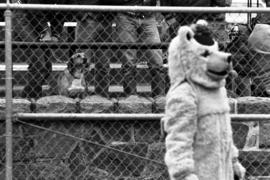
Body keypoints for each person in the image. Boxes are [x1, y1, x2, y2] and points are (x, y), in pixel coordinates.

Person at [162, 21, 246, 180]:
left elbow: (225, 133)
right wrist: (183, 174)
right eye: (206, 54)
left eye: (213, 52)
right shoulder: (184, 94)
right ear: (186, 56)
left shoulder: (218, 90)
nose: (222, 57)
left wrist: (234, 161)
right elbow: (178, 141)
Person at [112, 0, 165, 98]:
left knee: (157, 60)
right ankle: (131, 98)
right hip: (126, 15)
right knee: (128, 61)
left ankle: (160, 98)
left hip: (148, 16)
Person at [74, 0, 113, 98]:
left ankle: (102, 98)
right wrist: (81, 14)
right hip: (87, 20)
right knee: (81, 63)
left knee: (104, 64)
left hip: (106, 19)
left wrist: (112, 14)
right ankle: (80, 97)